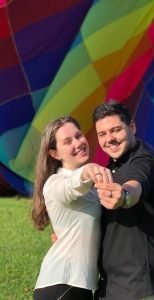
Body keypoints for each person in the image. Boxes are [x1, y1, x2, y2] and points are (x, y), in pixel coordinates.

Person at [92, 101, 154, 300]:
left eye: (116, 130)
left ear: (132, 127)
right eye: (102, 134)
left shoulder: (146, 161)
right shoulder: (110, 169)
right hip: (108, 283)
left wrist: (124, 196)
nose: (109, 139)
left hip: (140, 283)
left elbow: (136, 184)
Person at [32, 116, 112, 300]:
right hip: (62, 284)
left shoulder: (92, 190)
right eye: (67, 141)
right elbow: (70, 187)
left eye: (78, 135)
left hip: (80, 287)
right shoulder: (55, 183)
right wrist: (86, 171)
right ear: (55, 154)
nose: (78, 143)